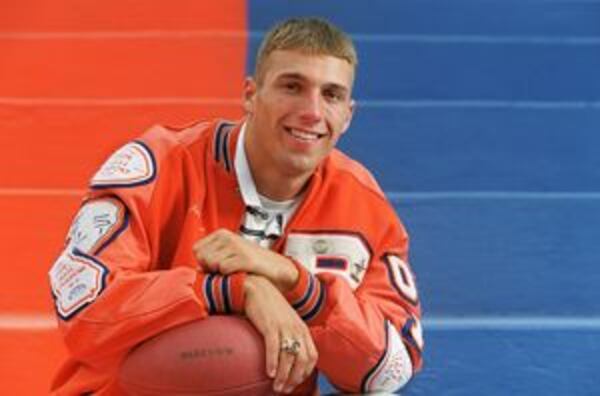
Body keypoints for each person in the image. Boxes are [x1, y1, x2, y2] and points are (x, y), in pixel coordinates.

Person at [48, 17, 424, 395]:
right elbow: (83, 309)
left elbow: (391, 369)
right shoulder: (159, 165)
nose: (312, 111)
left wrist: (296, 285)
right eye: (292, 87)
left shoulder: (363, 204)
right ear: (250, 94)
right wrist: (234, 289)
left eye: (331, 95)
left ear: (347, 115)